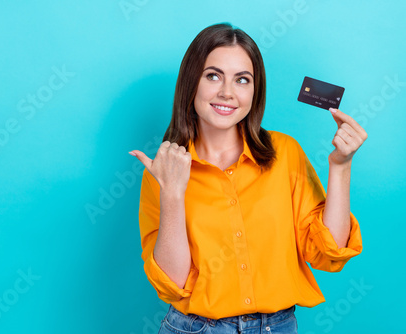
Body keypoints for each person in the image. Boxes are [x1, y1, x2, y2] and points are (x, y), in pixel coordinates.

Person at [129, 23, 366, 334]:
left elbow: (328, 253)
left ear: (255, 91)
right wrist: (173, 193)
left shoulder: (285, 153)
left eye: (242, 80)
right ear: (191, 83)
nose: (227, 92)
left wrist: (341, 166)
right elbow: (173, 284)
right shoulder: (166, 169)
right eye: (213, 76)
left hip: (277, 327)